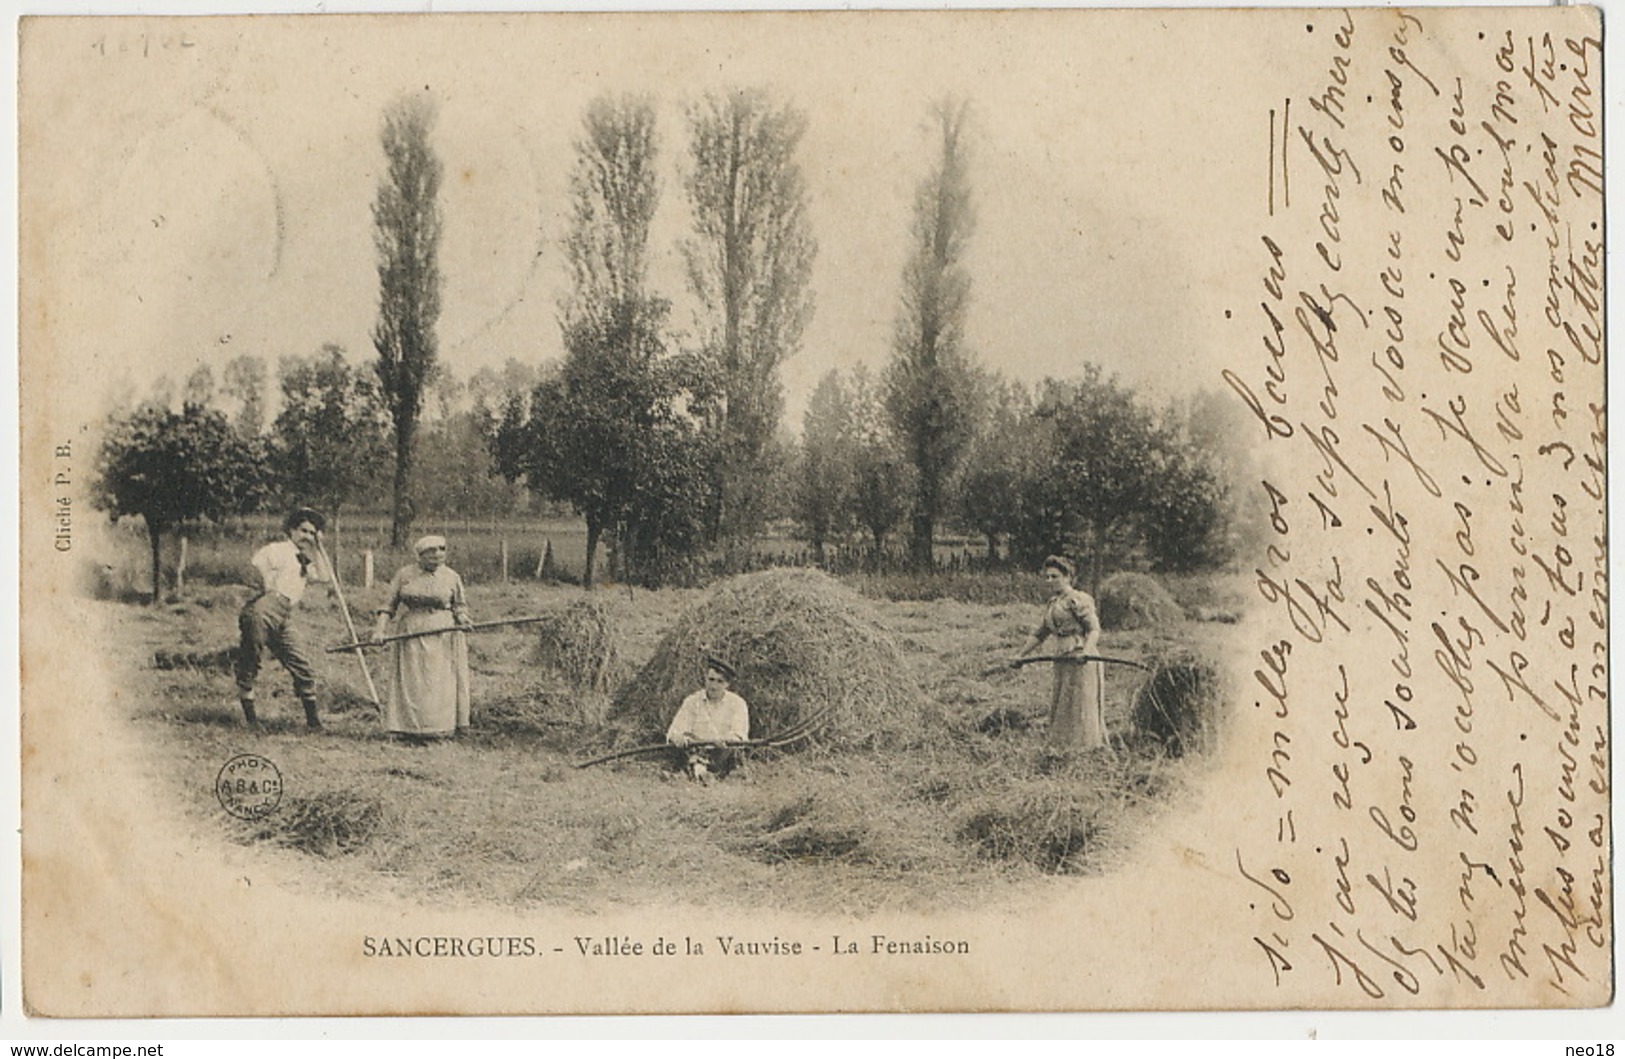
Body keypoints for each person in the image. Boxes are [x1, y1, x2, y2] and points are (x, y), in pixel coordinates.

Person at [370, 536, 473, 742]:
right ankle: (407, 728)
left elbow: (459, 606)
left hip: (443, 633)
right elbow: (388, 606)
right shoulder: (405, 575)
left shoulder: (451, 576)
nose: (437, 555)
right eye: (431, 551)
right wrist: (379, 631)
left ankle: (440, 729)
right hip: (411, 633)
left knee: (437, 680)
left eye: (441, 549)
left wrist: (463, 619)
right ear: (420, 555)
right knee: (415, 680)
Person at [236, 508, 329, 730]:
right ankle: (251, 721)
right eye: (303, 531)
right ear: (291, 530)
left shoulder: (308, 557)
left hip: (285, 613)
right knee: (251, 661)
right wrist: (262, 594)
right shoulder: (275, 550)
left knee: (301, 663)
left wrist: (319, 547)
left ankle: (314, 724)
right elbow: (252, 572)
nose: (306, 536)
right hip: (265, 607)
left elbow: (325, 578)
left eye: (312, 533)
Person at [1013, 555, 1106, 751]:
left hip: (1080, 655)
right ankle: (1063, 747)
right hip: (1061, 656)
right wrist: (1020, 655)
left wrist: (1086, 652)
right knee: (1064, 701)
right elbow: (1040, 633)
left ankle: (1085, 748)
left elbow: (1094, 629)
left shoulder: (1078, 599)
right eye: (1047, 577)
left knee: (1079, 702)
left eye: (1054, 576)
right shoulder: (1053, 603)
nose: (1049, 581)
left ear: (1068, 577)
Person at [666, 657, 750, 784]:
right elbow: (675, 730)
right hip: (695, 749)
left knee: (732, 751)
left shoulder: (737, 703)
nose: (714, 686)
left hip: (722, 752)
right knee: (683, 750)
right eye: (711, 680)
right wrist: (679, 737)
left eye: (720, 681)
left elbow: (740, 735)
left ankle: (699, 772)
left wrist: (727, 740)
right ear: (705, 679)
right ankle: (700, 773)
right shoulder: (692, 701)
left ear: (727, 684)